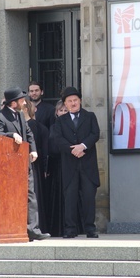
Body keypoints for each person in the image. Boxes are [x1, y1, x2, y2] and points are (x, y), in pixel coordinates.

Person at [0, 87, 50, 241]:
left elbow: (29, 133)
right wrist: (11, 134)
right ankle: (14, 228)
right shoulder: (0, 117)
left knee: (30, 196)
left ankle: (33, 229)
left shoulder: (20, 115)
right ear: (13, 102)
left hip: (24, 163)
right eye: (22, 100)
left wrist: (33, 150)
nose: (25, 102)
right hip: (9, 166)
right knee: (13, 197)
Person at [53, 87, 100, 238]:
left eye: (75, 100)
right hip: (70, 165)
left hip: (87, 164)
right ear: (65, 104)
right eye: (69, 101)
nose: (73, 103)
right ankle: (70, 229)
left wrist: (83, 146)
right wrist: (72, 149)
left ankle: (90, 228)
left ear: (80, 101)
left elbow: (95, 134)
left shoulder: (90, 116)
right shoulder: (60, 121)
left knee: (88, 197)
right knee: (70, 197)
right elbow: (57, 138)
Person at [23, 97, 49, 233]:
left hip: (32, 165)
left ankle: (35, 226)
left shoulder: (32, 125)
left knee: (33, 196)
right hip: (27, 165)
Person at [46, 100, 69, 237]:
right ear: (56, 112)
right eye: (61, 110)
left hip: (69, 163)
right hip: (56, 165)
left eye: (65, 110)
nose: (63, 113)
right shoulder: (53, 127)